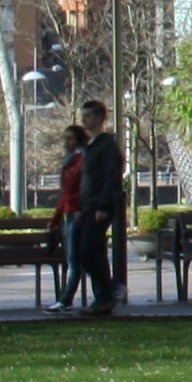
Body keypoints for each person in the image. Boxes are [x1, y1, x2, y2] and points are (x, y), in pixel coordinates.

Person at [77, 97, 125, 313]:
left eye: (88, 116)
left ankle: (108, 291)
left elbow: (111, 177)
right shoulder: (90, 146)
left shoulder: (107, 146)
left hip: (99, 207)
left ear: (99, 118)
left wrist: (103, 206)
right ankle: (104, 296)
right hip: (88, 207)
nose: (84, 120)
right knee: (91, 252)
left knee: (88, 251)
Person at [49, 127, 90, 308]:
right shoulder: (70, 162)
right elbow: (65, 193)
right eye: (65, 139)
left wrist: (81, 208)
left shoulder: (82, 161)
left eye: (70, 139)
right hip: (68, 213)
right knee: (74, 258)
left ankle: (66, 299)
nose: (66, 143)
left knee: (75, 259)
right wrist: (56, 218)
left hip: (76, 213)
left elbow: (79, 190)